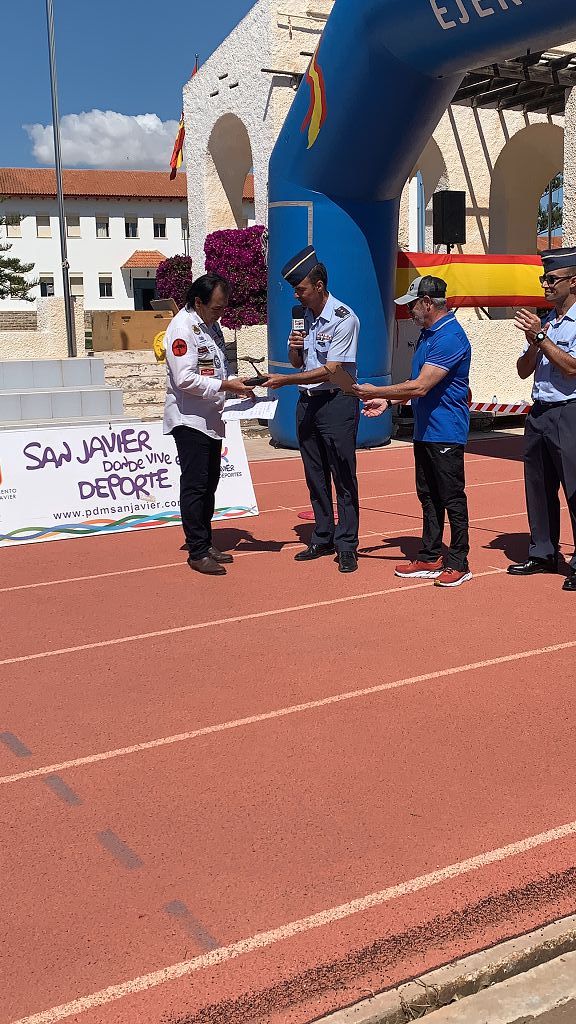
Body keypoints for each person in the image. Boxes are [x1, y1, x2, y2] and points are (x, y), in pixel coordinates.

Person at [354, 275, 472, 588]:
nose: (410, 312)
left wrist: (375, 390)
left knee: (451, 498)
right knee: (428, 496)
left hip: (446, 432)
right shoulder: (426, 334)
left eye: (413, 305)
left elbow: (421, 386)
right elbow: (416, 385)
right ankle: (431, 555)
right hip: (425, 432)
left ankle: (459, 561)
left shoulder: (449, 337)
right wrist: (385, 399)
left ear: (428, 303)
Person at [264, 246, 361, 573]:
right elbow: (299, 361)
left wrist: (286, 380)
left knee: (343, 475)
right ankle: (322, 536)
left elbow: (332, 369)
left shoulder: (344, 318)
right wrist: (293, 350)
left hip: (336, 402)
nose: (297, 294)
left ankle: (347, 544)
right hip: (307, 404)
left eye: (301, 288)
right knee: (315, 474)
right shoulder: (302, 316)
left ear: (319, 286)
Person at [163, 273, 254, 576]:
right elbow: (184, 378)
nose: (221, 314)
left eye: (223, 308)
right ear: (198, 302)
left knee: (209, 484)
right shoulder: (181, 329)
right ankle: (197, 550)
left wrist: (234, 389)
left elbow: (217, 367)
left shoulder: (210, 325)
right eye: (216, 308)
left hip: (212, 417)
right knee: (195, 485)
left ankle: (205, 540)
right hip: (190, 419)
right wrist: (226, 386)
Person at [508, 246, 576, 592]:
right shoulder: (548, 322)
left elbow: (573, 367)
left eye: (552, 279)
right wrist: (535, 342)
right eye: (544, 278)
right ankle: (544, 551)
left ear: (573, 281)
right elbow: (522, 371)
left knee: (575, 488)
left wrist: (540, 337)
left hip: (569, 410)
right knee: (537, 485)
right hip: (539, 411)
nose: (545, 285)